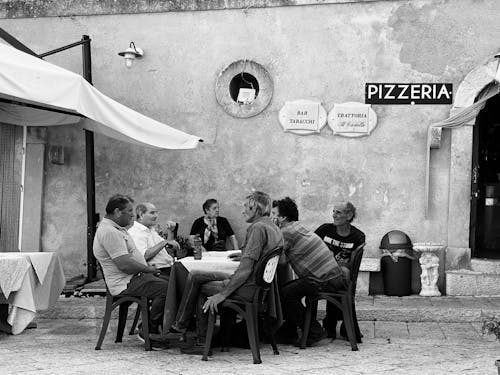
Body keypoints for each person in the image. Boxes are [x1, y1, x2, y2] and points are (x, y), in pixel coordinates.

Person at [178, 191, 283, 354]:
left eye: (245, 207)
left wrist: (222, 294)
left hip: (248, 287)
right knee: (196, 275)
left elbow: (245, 270)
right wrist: (246, 253)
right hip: (260, 287)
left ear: (255, 209)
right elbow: (271, 258)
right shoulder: (273, 227)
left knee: (200, 287)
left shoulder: (257, 228)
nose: (243, 211)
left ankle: (200, 341)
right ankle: (182, 324)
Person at [271, 197, 348, 346]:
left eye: (273, 213)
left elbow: (281, 262)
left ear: (282, 217)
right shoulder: (296, 227)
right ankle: (289, 330)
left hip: (323, 280)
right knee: (288, 290)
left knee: (286, 293)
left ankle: (313, 331)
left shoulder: (285, 232)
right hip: (332, 276)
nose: (270, 216)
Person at [93, 194, 168, 343]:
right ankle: (148, 331)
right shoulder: (109, 232)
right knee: (167, 289)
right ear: (117, 212)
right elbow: (125, 264)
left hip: (134, 277)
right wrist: (148, 270)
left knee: (174, 282)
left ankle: (167, 327)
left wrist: (147, 269)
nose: (133, 215)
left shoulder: (116, 228)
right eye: (129, 211)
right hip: (125, 283)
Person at [314, 202, 365, 339]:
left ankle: (328, 325)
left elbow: (351, 266)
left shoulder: (358, 236)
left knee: (343, 275)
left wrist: (334, 262)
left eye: (338, 212)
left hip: (341, 278)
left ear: (349, 215)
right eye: (334, 211)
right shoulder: (324, 230)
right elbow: (312, 248)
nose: (334, 215)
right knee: (340, 278)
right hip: (322, 274)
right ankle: (347, 327)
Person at [128, 202, 180, 282]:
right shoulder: (135, 232)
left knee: (196, 279)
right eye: (152, 213)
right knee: (191, 284)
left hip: (169, 269)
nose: (156, 216)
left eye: (156, 213)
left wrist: (170, 232)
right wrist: (164, 243)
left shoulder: (150, 230)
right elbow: (143, 257)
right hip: (158, 273)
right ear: (141, 214)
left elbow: (169, 249)